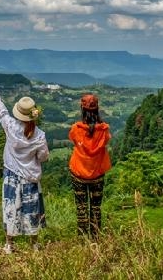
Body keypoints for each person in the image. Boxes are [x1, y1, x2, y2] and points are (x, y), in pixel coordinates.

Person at [0, 87, 49, 253]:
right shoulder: (39, 135)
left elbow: (1, 112)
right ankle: (34, 244)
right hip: (30, 176)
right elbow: (43, 157)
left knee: (10, 208)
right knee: (32, 209)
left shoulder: (10, 126)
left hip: (11, 175)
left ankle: (9, 244)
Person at [68, 93, 111, 239]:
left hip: (78, 172)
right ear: (97, 109)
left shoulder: (76, 128)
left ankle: (82, 238)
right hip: (97, 173)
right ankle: (96, 237)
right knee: (96, 207)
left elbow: (73, 140)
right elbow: (106, 142)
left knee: (81, 207)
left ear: (82, 109)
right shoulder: (104, 130)